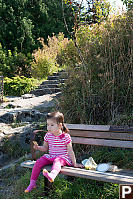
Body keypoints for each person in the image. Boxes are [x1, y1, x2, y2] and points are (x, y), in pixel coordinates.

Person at [25, 111, 83, 193]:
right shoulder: (48, 135)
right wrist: (38, 148)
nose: (49, 127)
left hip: (62, 158)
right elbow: (45, 148)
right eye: (48, 124)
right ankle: (32, 183)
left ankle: (52, 175)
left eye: (52, 125)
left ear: (59, 125)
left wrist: (75, 163)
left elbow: (70, 151)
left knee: (57, 161)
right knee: (38, 162)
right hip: (51, 156)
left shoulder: (65, 136)